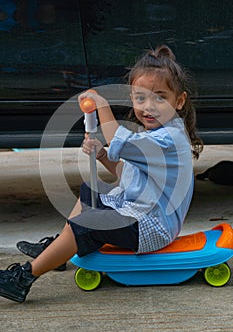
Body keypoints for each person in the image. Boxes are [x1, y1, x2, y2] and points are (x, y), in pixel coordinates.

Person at [0, 44, 203, 303]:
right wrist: (104, 156)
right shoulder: (155, 135)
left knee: (88, 223)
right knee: (89, 191)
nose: (148, 107)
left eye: (160, 97)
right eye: (141, 98)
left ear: (180, 100)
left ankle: (23, 279)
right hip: (139, 214)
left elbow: (116, 136)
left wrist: (102, 105)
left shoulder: (169, 140)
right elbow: (128, 173)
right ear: (132, 100)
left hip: (151, 228)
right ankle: (58, 249)